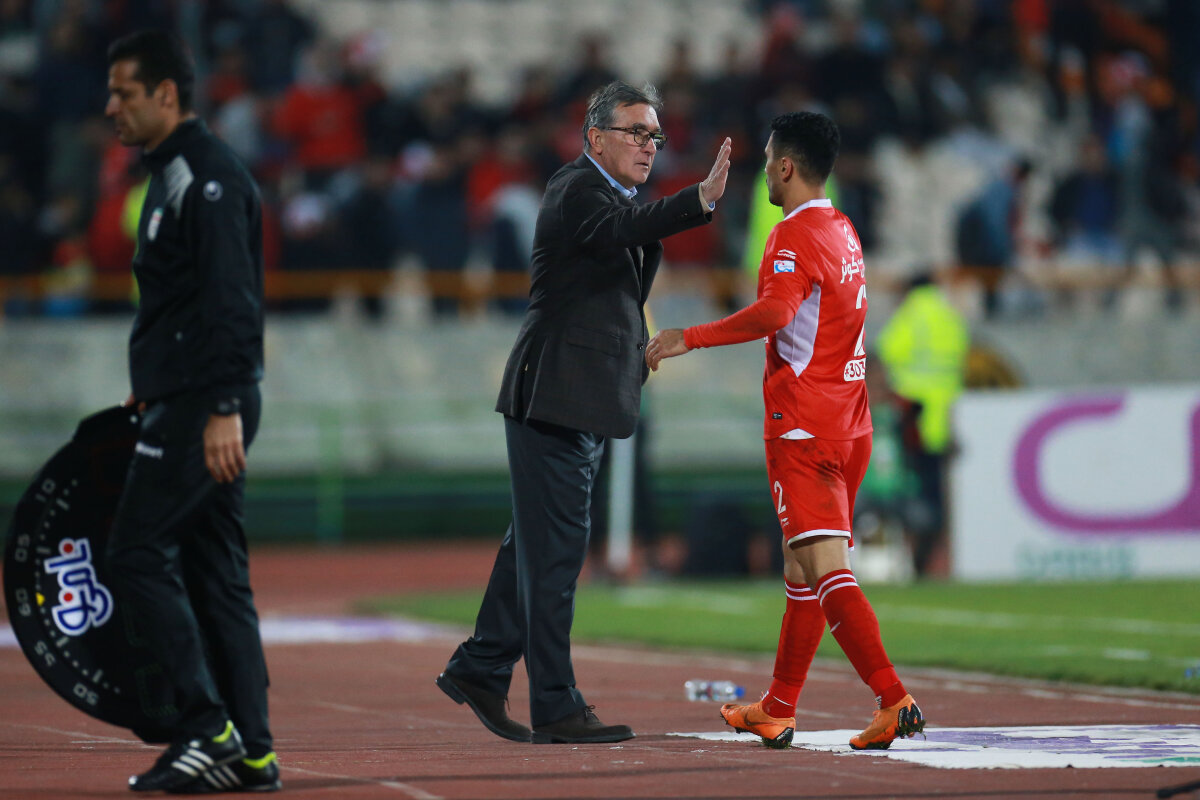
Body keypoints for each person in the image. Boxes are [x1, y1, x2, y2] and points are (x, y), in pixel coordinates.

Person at [437, 81, 731, 744]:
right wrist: (699, 199)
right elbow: (622, 232)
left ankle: (481, 666)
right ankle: (556, 704)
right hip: (554, 396)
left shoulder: (607, 197)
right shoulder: (577, 189)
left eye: (655, 135)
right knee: (557, 555)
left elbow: (611, 279)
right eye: (636, 132)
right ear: (595, 137)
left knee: (536, 545)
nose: (649, 145)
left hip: (575, 395)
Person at [646, 111, 925, 751]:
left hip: (804, 426)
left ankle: (893, 699)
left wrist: (689, 337)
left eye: (770, 159)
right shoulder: (843, 228)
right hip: (850, 422)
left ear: (787, 166)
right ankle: (777, 708)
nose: (765, 171)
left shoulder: (791, 234)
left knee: (825, 569)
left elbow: (776, 312)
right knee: (800, 567)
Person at [102, 30, 279, 792]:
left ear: (166, 94)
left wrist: (223, 405)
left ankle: (207, 730)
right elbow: (179, 303)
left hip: (206, 404)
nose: (111, 107)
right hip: (188, 395)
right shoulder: (174, 173)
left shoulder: (204, 179)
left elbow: (230, 300)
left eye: (124, 93)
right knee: (216, 576)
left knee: (136, 554)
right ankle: (255, 753)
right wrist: (154, 380)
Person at [875, 273, 969, 577]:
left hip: (913, 416)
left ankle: (915, 558)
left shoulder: (910, 315)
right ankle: (935, 559)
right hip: (945, 418)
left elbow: (886, 350)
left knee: (910, 490)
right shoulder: (951, 317)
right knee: (938, 492)